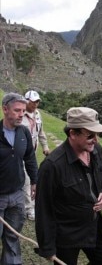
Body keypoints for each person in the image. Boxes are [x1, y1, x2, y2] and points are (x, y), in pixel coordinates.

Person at [35, 107, 102, 265]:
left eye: (97, 134)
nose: (96, 140)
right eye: (90, 135)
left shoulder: (97, 151)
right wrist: (48, 248)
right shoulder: (52, 166)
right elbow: (43, 209)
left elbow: (101, 179)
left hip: (94, 227)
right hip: (66, 236)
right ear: (72, 133)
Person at [0, 92, 38, 265]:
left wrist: (35, 181)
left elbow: (30, 158)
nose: (21, 114)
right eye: (17, 110)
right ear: (5, 110)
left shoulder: (23, 132)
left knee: (13, 235)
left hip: (17, 195)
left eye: (23, 111)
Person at [22, 90, 50, 221]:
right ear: (26, 100)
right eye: (33, 102)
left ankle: (26, 205)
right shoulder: (20, 114)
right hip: (20, 154)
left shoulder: (38, 115)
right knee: (28, 181)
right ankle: (29, 208)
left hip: (32, 154)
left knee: (31, 179)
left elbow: (41, 132)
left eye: (37, 101)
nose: (36, 104)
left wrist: (45, 146)